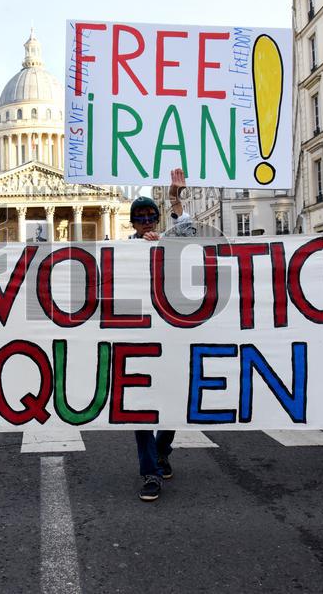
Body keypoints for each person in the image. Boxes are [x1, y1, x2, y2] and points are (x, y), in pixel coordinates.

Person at [127, 168, 194, 501]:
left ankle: (162, 450)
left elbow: (189, 233)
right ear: (132, 224)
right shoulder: (123, 249)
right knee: (139, 408)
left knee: (174, 402)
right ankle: (150, 472)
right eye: (140, 219)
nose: (146, 222)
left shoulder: (170, 242)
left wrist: (174, 199)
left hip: (171, 335)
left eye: (151, 217)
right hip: (136, 338)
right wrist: (141, 252)